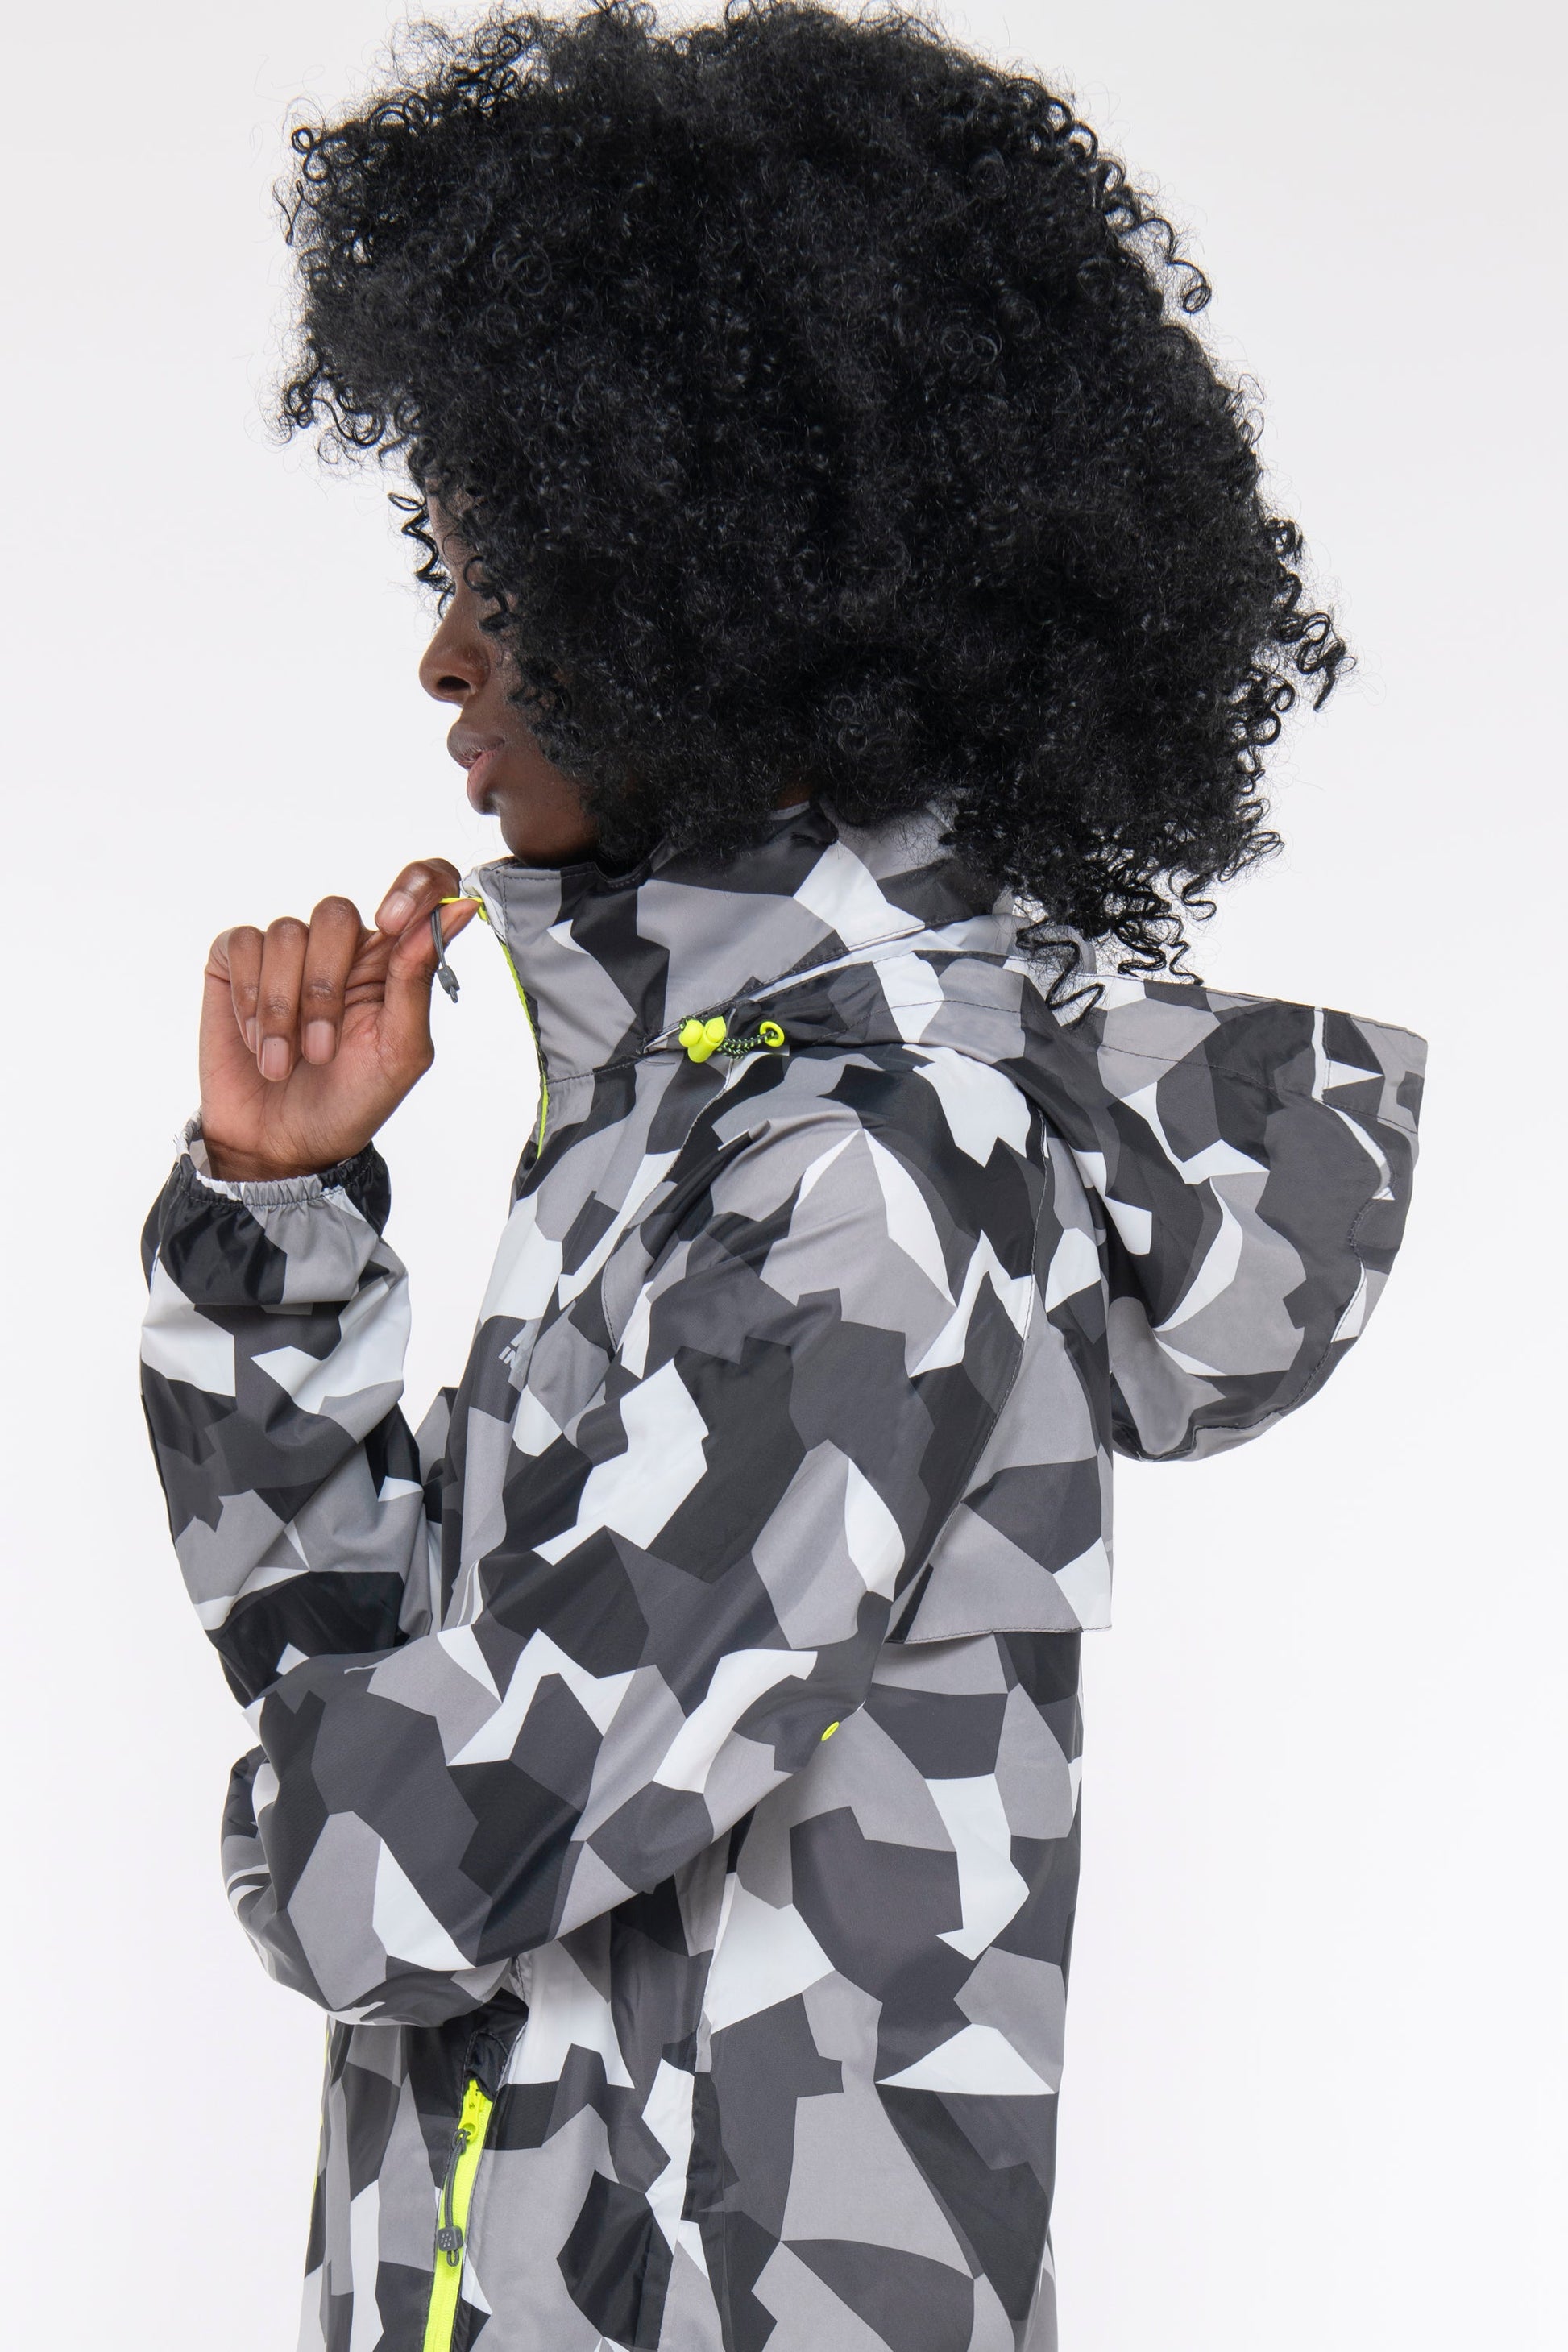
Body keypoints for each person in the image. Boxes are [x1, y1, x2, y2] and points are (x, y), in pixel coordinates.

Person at [137, 6, 1425, 2347]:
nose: (442, 657)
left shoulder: (879, 1174)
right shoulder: (679, 1126)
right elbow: (387, 1694)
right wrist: (274, 1232)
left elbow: (408, 1868)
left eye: (505, 574)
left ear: (710, 579)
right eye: (444, 562)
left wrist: (281, 1821)